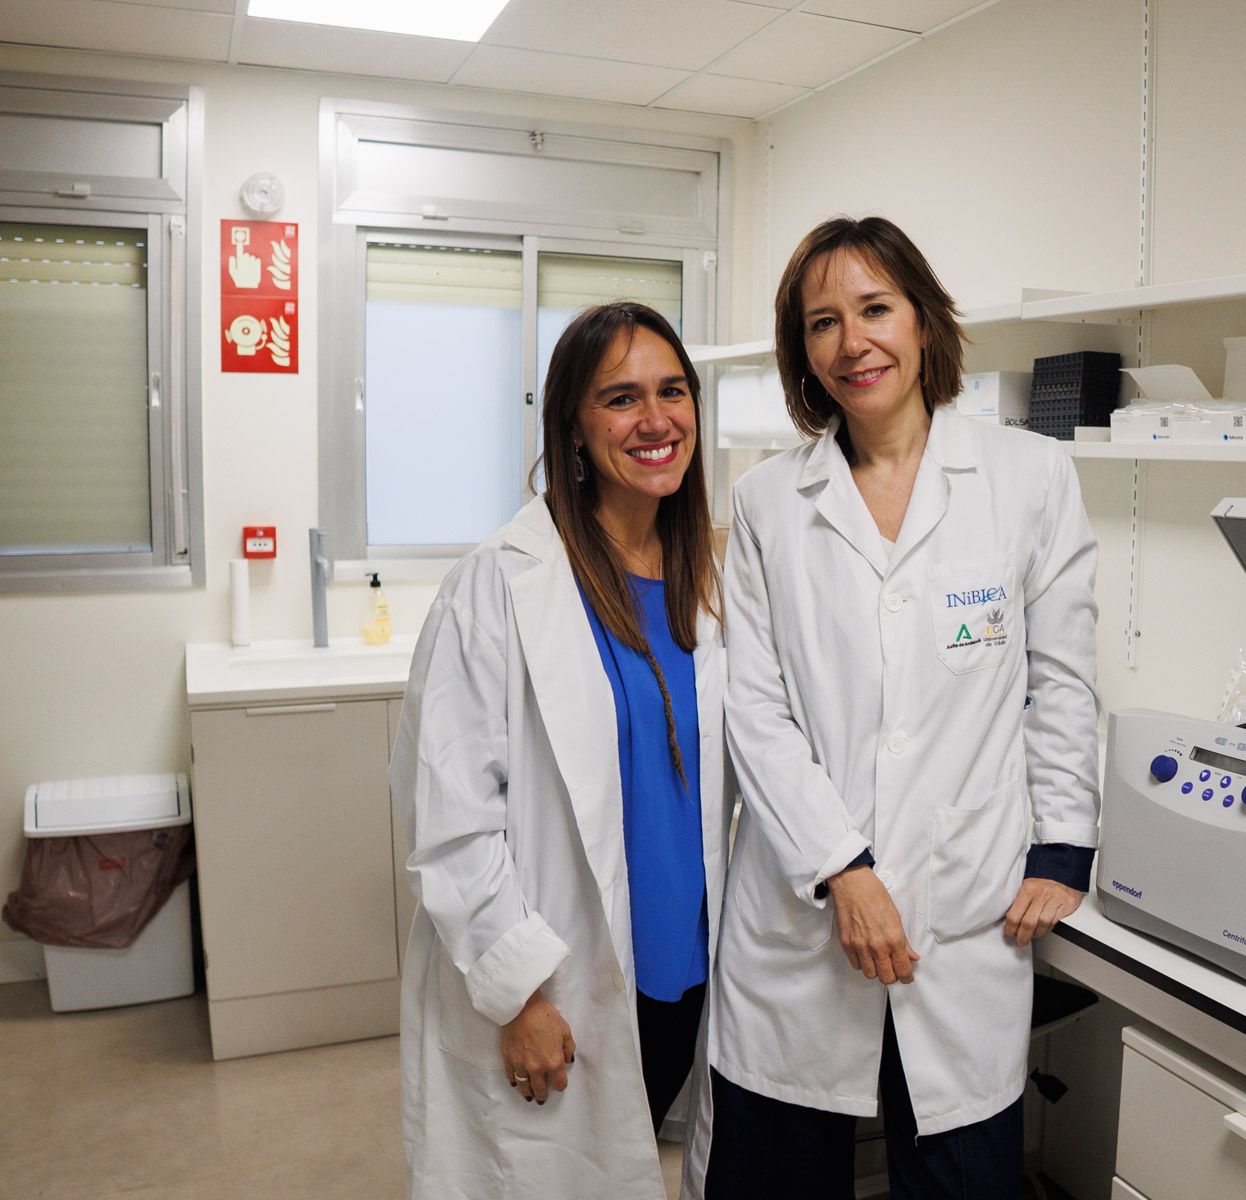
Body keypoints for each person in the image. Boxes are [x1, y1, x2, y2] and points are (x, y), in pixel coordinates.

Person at [704, 217, 1101, 1198]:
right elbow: (754, 710)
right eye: (822, 322)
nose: (853, 341)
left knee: (962, 1172)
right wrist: (843, 868)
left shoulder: (1029, 479)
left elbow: (1061, 680)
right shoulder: (766, 502)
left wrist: (1062, 847)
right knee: (776, 1175)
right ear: (803, 351)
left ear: (923, 321)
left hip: (961, 909)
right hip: (803, 913)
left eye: (875, 309)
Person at [391, 301, 727, 1199]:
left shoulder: (708, 579)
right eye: (621, 398)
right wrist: (517, 995)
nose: (655, 419)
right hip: (560, 983)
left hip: (681, 974)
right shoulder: (500, 584)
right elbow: (451, 819)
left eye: (672, 391)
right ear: (573, 426)